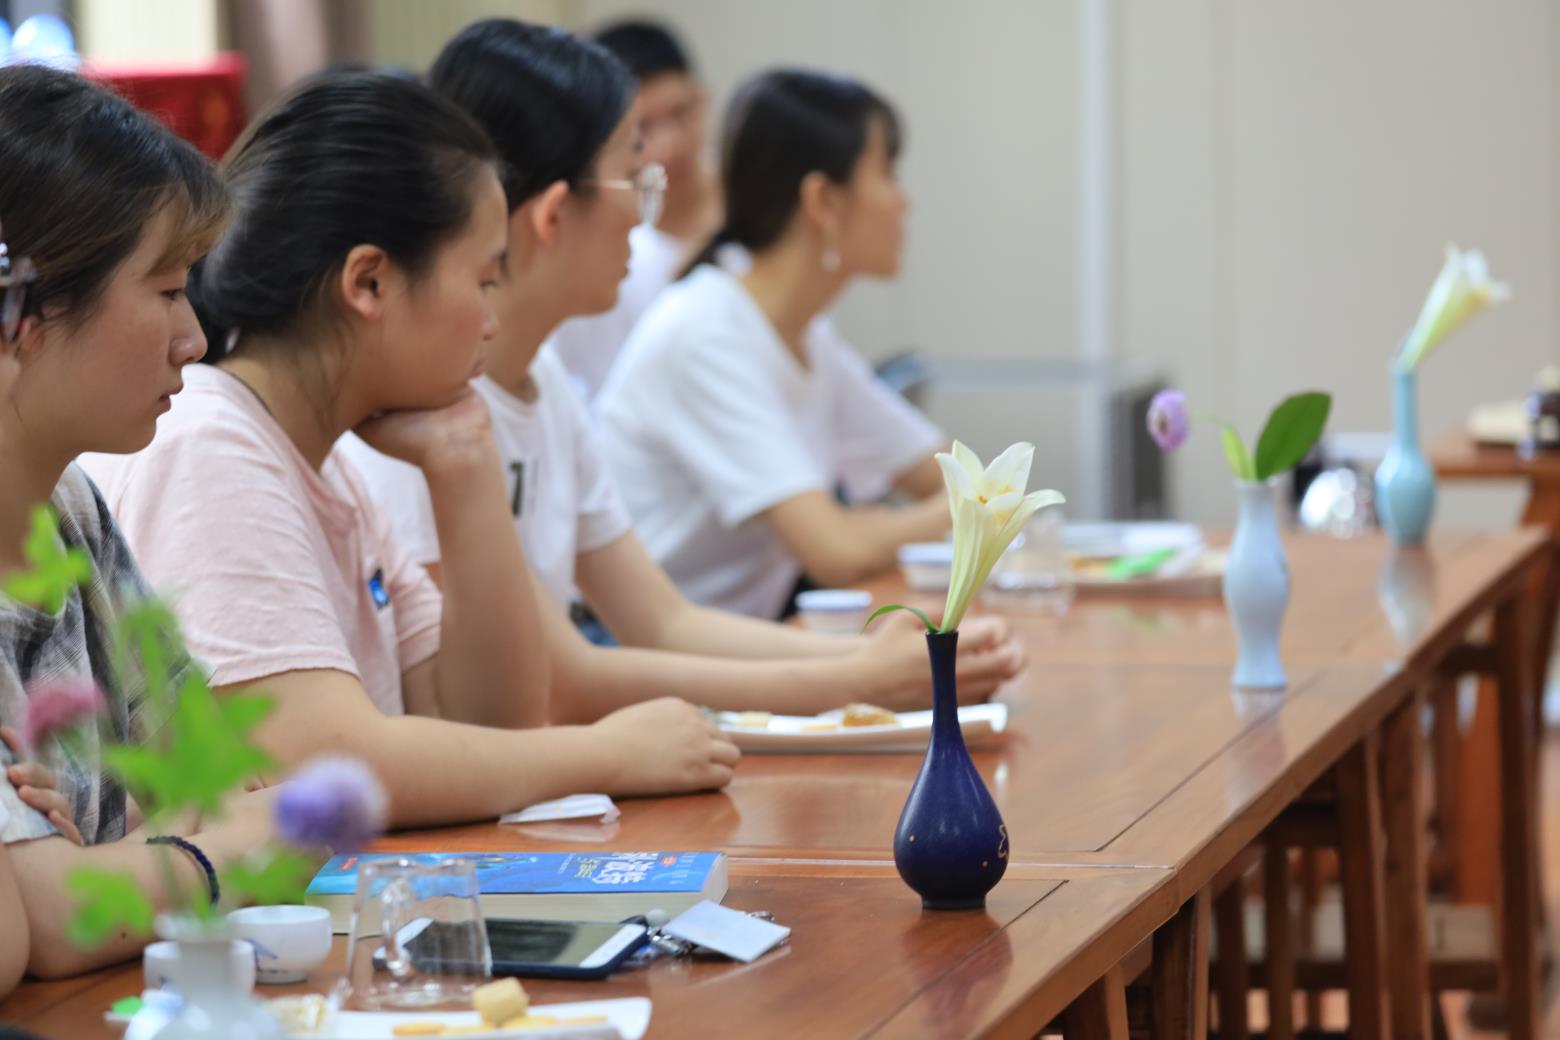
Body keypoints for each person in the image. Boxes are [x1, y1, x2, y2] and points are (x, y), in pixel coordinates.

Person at [81, 70, 739, 836]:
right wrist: (605, 753)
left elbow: (492, 722)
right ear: (369, 282)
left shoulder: (324, 459)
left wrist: (465, 461)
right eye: (484, 279)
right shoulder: (209, 441)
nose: (492, 321)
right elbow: (326, 765)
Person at [339, 20, 1022, 721]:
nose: (645, 217)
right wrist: (857, 678)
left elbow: (664, 620)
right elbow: (564, 678)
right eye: (636, 178)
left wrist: (868, 661)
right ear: (553, 216)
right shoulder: (427, 412)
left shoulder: (544, 381)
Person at [0, 65, 292, 979]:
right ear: (26, 315)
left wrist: (118, 858)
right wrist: (219, 848)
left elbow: (219, 773)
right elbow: (42, 924)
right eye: (166, 291)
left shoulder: (70, 504)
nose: (193, 339)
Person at [596, 69, 959, 620]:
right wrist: (936, 516)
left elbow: (955, 477)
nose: (903, 201)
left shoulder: (808, 336)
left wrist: (887, 525)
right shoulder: (707, 334)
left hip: (741, 643)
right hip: (653, 654)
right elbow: (837, 554)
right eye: (887, 172)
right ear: (823, 201)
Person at [547, 18, 717, 401]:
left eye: (681, 113)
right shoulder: (600, 246)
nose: (670, 144)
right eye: (644, 129)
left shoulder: (755, 205)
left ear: (701, 97)